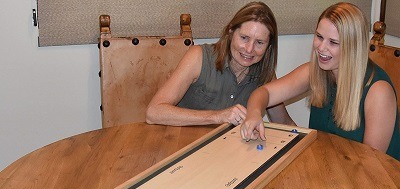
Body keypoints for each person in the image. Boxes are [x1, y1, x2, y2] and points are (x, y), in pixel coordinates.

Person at [240, 2, 400, 160]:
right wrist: (254, 114)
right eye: (319, 37)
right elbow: (264, 92)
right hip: (331, 167)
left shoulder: (378, 91)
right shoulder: (316, 71)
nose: (321, 47)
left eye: (333, 42)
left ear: (353, 47)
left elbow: (371, 163)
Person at [145, 2, 295, 127]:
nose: (249, 49)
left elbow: (282, 121)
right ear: (230, 31)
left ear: (269, 46)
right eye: (244, 38)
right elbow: (153, 113)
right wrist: (218, 116)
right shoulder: (198, 56)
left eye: (259, 42)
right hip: (183, 146)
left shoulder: (265, 73)